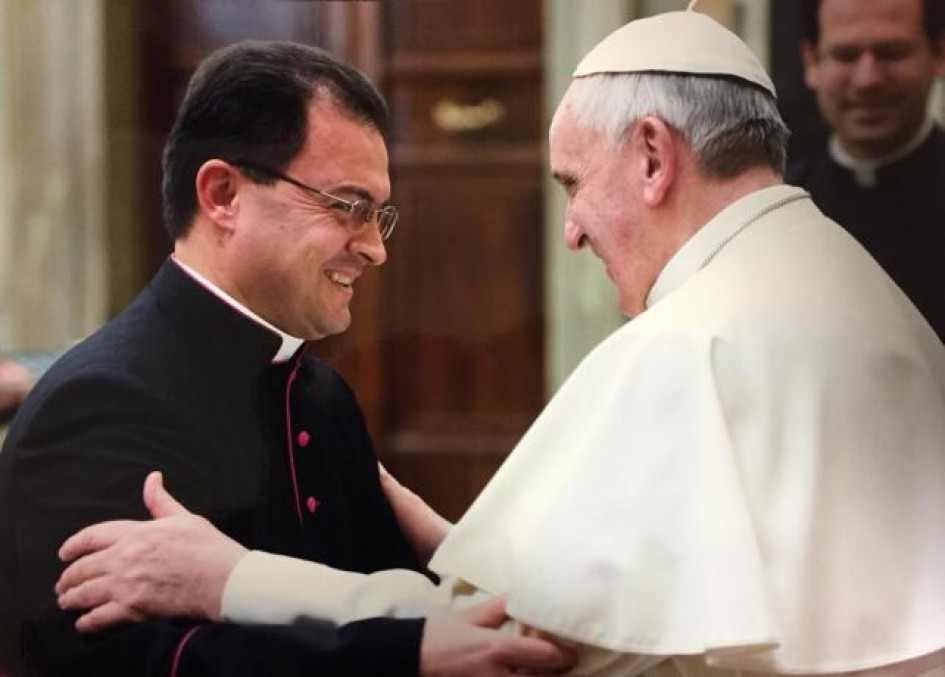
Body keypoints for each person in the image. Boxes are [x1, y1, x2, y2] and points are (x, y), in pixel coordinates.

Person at [54, 8, 945, 676]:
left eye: (571, 183)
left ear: (651, 156)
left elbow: (520, 648)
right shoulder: (839, 281)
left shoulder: (692, 340)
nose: (571, 231)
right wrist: (453, 539)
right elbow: (641, 602)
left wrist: (232, 578)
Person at [0, 40, 575, 677]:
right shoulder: (101, 404)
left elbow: (425, 615)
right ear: (223, 194)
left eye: (378, 215)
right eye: (350, 207)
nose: (375, 248)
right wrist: (403, 653)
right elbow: (116, 664)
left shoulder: (321, 397)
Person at [789, 0, 945, 341]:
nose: (868, 79)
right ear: (811, 62)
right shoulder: (779, 210)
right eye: (846, 55)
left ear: (938, 54)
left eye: (892, 53)